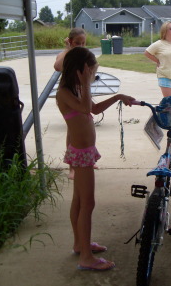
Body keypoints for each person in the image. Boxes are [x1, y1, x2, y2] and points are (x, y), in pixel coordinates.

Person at [56, 47, 135, 271]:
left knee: (80, 202)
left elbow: (95, 108)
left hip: (85, 151)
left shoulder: (78, 88)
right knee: (87, 203)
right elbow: (83, 107)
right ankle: (86, 258)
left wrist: (119, 96)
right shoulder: (64, 91)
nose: (93, 74)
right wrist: (87, 84)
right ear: (81, 69)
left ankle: (80, 245)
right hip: (81, 155)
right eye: (91, 70)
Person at [54, 28, 89, 179]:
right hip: (68, 96)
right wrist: (69, 49)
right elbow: (58, 66)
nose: (80, 46)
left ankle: (87, 160)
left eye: (83, 43)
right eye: (76, 43)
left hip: (81, 94)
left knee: (86, 129)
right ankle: (72, 167)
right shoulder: (65, 54)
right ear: (70, 42)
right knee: (72, 131)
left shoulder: (83, 54)